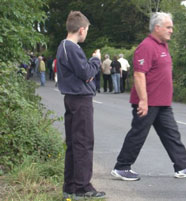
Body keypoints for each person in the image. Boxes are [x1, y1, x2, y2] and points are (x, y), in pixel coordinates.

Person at [111, 12, 186, 181]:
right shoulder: (146, 46)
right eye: (168, 27)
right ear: (157, 27)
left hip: (162, 102)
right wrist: (143, 101)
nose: (171, 30)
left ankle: (182, 166)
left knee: (171, 134)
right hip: (148, 102)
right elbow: (139, 75)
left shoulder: (162, 45)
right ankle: (122, 167)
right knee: (138, 134)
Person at [56, 11, 105, 200]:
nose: (87, 34)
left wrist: (89, 68)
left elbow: (83, 72)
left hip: (72, 98)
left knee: (74, 143)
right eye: (87, 31)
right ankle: (82, 187)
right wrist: (95, 59)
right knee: (83, 143)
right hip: (80, 99)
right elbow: (86, 73)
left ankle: (70, 186)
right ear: (82, 30)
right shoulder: (71, 47)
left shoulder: (64, 47)